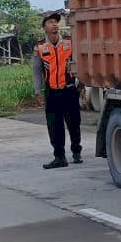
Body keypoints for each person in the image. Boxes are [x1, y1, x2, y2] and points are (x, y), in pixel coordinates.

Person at [32, 11, 82, 169]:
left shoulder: (69, 42)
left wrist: (83, 84)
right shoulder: (40, 47)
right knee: (55, 126)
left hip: (69, 90)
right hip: (52, 93)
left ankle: (76, 151)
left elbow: (79, 63)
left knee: (74, 124)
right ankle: (59, 157)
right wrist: (38, 92)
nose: (54, 25)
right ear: (44, 28)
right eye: (50, 22)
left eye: (56, 22)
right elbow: (36, 71)